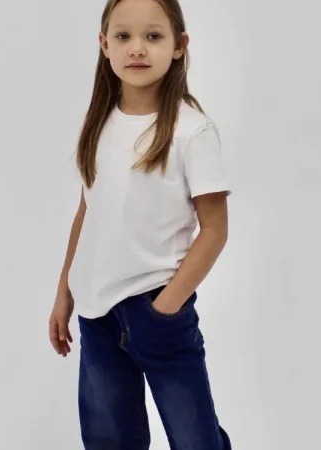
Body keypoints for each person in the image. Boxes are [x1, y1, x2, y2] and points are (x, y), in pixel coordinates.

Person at [48, 0, 233, 449]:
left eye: (153, 36)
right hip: (96, 313)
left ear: (178, 45)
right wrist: (64, 292)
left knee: (195, 440)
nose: (137, 48)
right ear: (104, 44)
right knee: (109, 439)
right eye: (123, 36)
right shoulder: (100, 123)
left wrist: (165, 307)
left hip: (157, 309)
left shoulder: (192, 132)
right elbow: (88, 211)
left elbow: (214, 230)